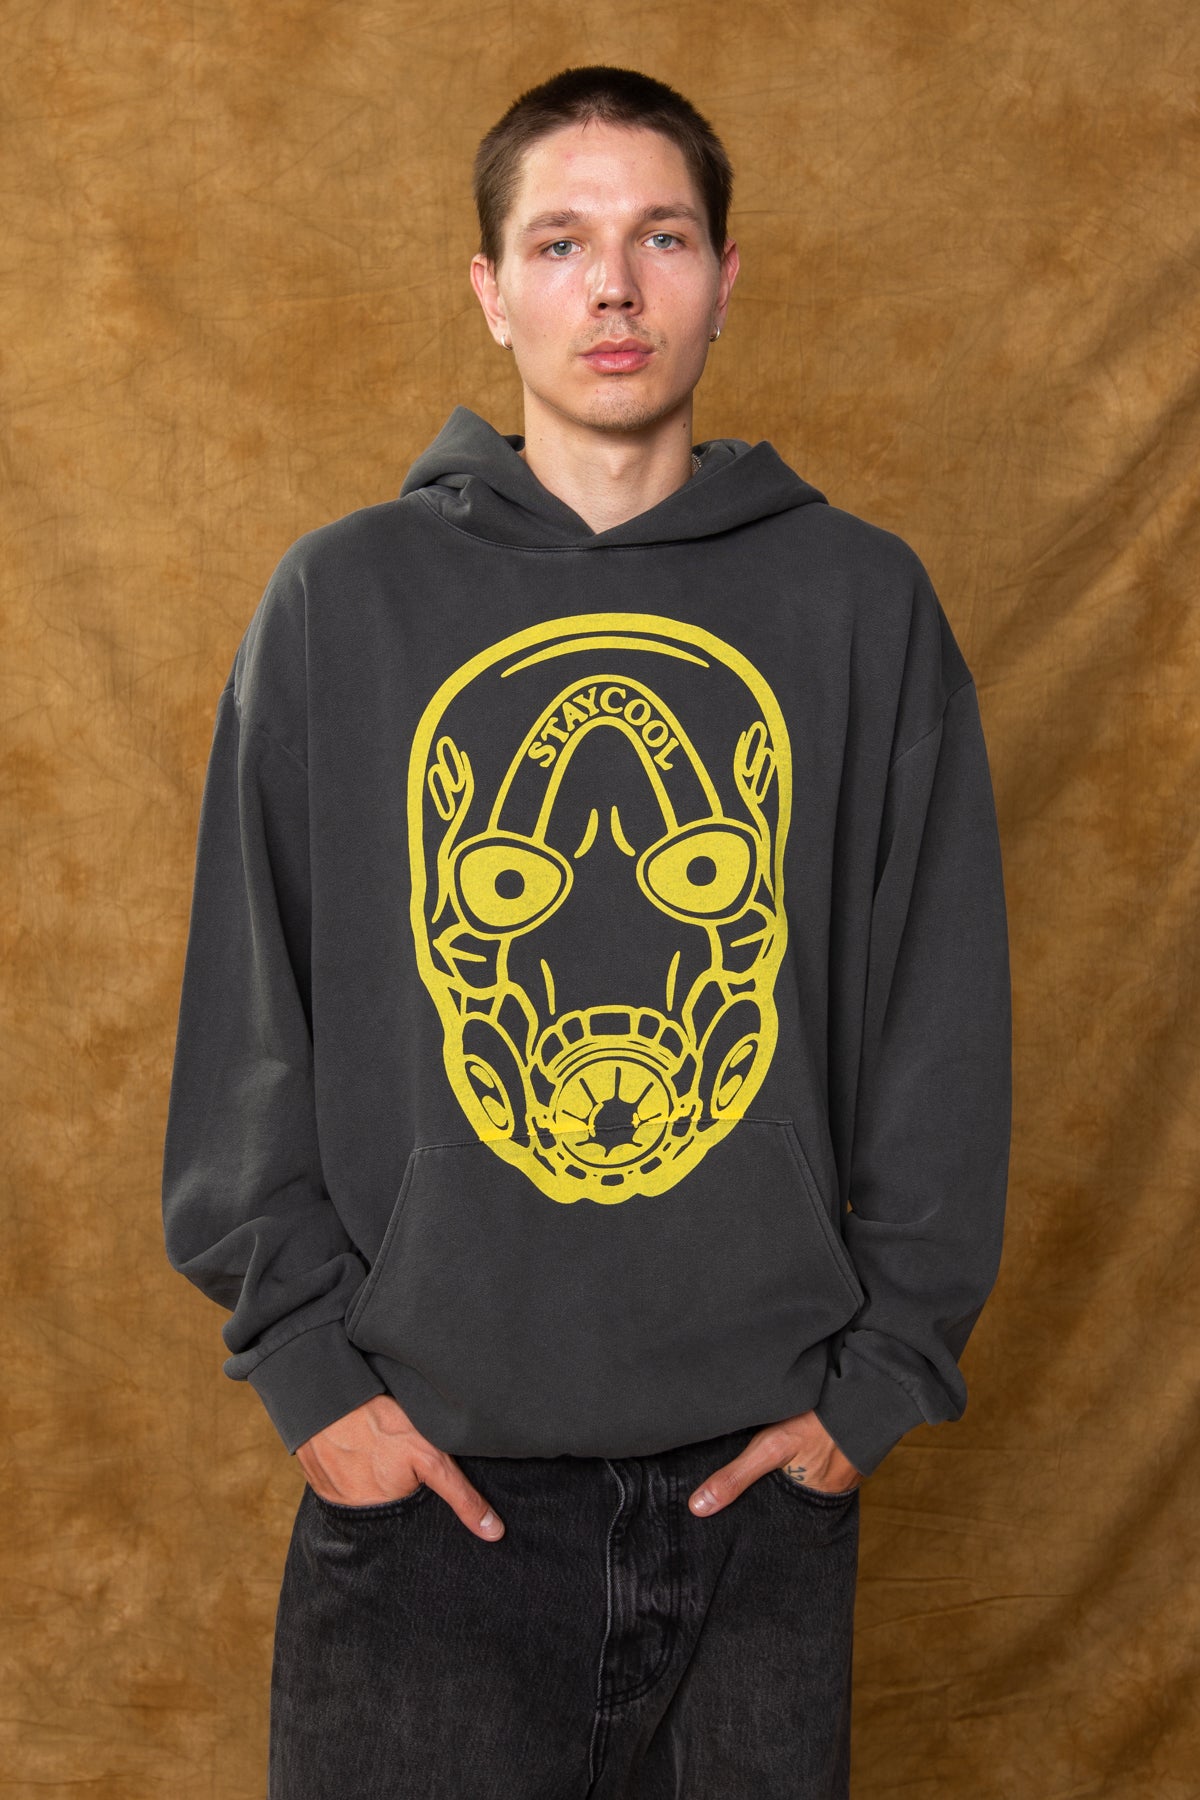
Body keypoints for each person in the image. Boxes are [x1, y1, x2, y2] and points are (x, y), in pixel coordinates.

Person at [161, 64, 1012, 1800]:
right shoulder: (345, 600)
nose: (613, 288)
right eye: (560, 242)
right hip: (431, 1501)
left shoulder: (859, 603)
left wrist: (874, 1389)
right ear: (491, 291)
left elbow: (940, 1020)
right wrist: (309, 1374)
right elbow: (252, 1020)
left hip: (759, 1504)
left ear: (725, 277)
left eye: (661, 238)